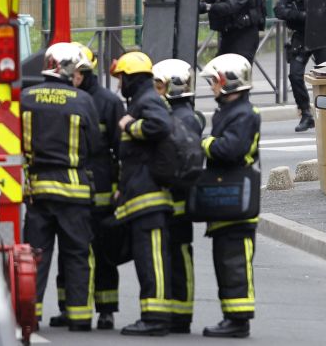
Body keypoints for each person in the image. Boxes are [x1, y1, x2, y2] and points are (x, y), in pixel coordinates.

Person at [21, 42, 100, 332]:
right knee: (77, 254)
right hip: (74, 190)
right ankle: (79, 317)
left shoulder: (26, 98)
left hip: (38, 189)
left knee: (35, 255)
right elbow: (94, 144)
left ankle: (31, 315)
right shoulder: (82, 101)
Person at [48, 43, 124, 330]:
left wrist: (120, 188)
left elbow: (121, 149)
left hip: (102, 190)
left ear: (87, 72)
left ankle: (106, 310)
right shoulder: (66, 98)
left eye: (77, 73)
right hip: (72, 189)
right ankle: (68, 307)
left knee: (103, 253)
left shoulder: (108, 102)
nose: (72, 78)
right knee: (70, 251)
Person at [110, 51, 174, 336]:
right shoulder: (142, 100)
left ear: (131, 78)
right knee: (146, 259)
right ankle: (152, 316)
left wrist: (129, 126)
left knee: (152, 260)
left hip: (149, 199)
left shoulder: (147, 101)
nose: (119, 84)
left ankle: (156, 319)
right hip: (139, 196)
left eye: (121, 78)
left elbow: (160, 126)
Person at [198, 53, 261, 339]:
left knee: (235, 262)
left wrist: (206, 143)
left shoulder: (244, 114)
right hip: (229, 195)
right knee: (224, 261)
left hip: (238, 196)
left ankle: (238, 320)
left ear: (228, 82)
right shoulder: (231, 112)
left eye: (214, 81)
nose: (211, 86)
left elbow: (229, 150)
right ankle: (230, 317)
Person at [152, 58, 203, 335]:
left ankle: (181, 314)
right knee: (175, 254)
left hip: (177, 200)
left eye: (159, 84)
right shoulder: (186, 114)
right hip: (178, 199)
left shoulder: (180, 118)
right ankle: (178, 312)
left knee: (179, 255)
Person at [274, 0, 326, 132]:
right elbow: (279, 9)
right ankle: (306, 113)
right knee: (295, 74)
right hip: (301, 35)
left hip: (322, 35)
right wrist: (302, 16)